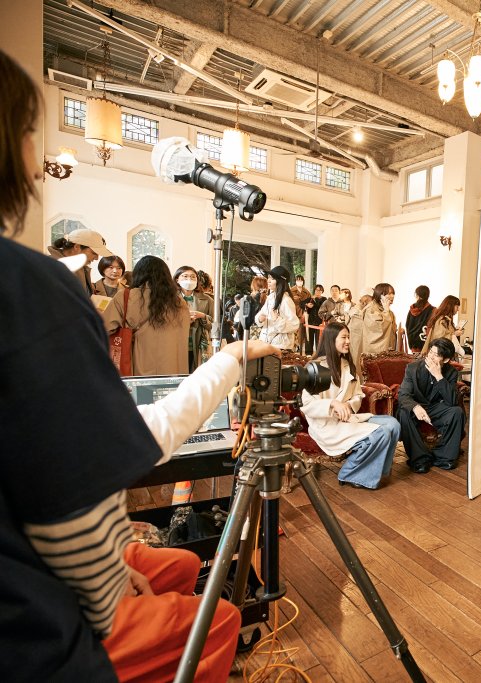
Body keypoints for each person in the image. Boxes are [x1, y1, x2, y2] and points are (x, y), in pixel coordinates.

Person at [1, 48, 282, 682]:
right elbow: (67, 494)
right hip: (44, 623)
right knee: (216, 616)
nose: (38, 162)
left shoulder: (105, 297)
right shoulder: (31, 288)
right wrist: (109, 589)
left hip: (37, 563)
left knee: (178, 565)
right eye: (29, 133)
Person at [301, 322, 401, 488]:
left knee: (393, 424)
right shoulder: (315, 368)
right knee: (381, 432)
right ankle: (350, 473)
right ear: (331, 340)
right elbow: (306, 404)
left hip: (347, 418)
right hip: (326, 425)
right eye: (344, 337)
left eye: (348, 337)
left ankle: (376, 471)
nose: (348, 341)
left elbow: (358, 395)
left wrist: (348, 405)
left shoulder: (347, 365)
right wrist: (332, 404)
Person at [101, 255, 190, 376]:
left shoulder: (125, 296)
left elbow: (105, 328)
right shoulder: (179, 302)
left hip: (137, 368)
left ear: (138, 274)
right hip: (172, 370)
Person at [397, 337, 465, 473]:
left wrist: (439, 376)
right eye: (431, 352)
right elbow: (403, 395)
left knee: (457, 412)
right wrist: (415, 407)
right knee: (403, 412)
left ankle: (444, 457)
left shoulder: (451, 372)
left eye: (436, 355)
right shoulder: (413, 368)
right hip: (416, 406)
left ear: (446, 360)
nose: (431, 357)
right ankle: (420, 459)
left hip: (435, 408)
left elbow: (452, 401)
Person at [174, 265, 215, 372]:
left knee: (196, 373)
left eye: (193, 277)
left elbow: (215, 325)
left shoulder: (208, 300)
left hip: (199, 345)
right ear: (177, 279)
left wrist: (202, 316)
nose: (189, 279)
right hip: (176, 344)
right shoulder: (170, 299)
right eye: (185, 276)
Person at [49, 227, 113, 295]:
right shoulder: (50, 267)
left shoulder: (80, 267)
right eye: (94, 253)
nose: (97, 258)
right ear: (77, 247)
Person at [349, 282, 397, 371]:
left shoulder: (387, 310)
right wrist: (386, 312)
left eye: (393, 293)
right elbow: (378, 329)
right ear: (380, 294)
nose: (392, 296)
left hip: (388, 349)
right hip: (374, 353)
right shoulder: (371, 310)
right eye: (389, 293)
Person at [256, 265, 300, 350]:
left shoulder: (286, 300)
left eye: (272, 278)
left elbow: (294, 325)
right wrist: (259, 319)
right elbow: (260, 315)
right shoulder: (270, 298)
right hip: (266, 343)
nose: (268, 281)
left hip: (280, 346)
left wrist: (277, 320)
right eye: (268, 278)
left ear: (280, 281)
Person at [405, 285, 434, 353]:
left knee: (415, 359)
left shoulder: (412, 309)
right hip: (426, 344)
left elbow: (407, 325)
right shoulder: (432, 310)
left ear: (417, 295)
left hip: (413, 343)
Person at [290, 275, 312, 353]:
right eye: (298, 280)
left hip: (304, 313)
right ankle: (293, 347)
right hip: (294, 313)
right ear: (295, 281)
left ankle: (300, 346)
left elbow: (310, 301)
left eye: (301, 280)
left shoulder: (306, 292)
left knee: (302, 332)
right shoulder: (291, 291)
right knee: (294, 331)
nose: (299, 282)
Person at [305, 284, 326, 354]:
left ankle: (318, 353)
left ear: (322, 291)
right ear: (314, 290)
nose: (318, 291)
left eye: (320, 290)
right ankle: (308, 353)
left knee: (319, 339)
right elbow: (301, 304)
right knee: (309, 338)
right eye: (316, 290)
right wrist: (307, 305)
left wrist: (315, 299)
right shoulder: (310, 298)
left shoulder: (324, 299)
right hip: (310, 321)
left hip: (319, 322)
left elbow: (320, 306)